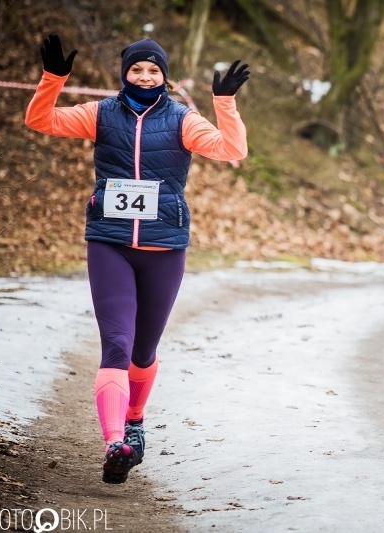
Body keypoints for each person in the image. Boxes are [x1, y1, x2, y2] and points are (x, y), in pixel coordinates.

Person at [25, 34, 249, 484]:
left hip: (164, 248)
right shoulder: (102, 114)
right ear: (124, 73)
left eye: (153, 70)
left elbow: (232, 149)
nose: (144, 77)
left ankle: (134, 420)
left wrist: (224, 103)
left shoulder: (183, 119)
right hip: (109, 242)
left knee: (143, 353)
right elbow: (40, 119)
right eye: (136, 70)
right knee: (117, 347)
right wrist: (53, 79)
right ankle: (114, 442)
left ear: (164, 76)